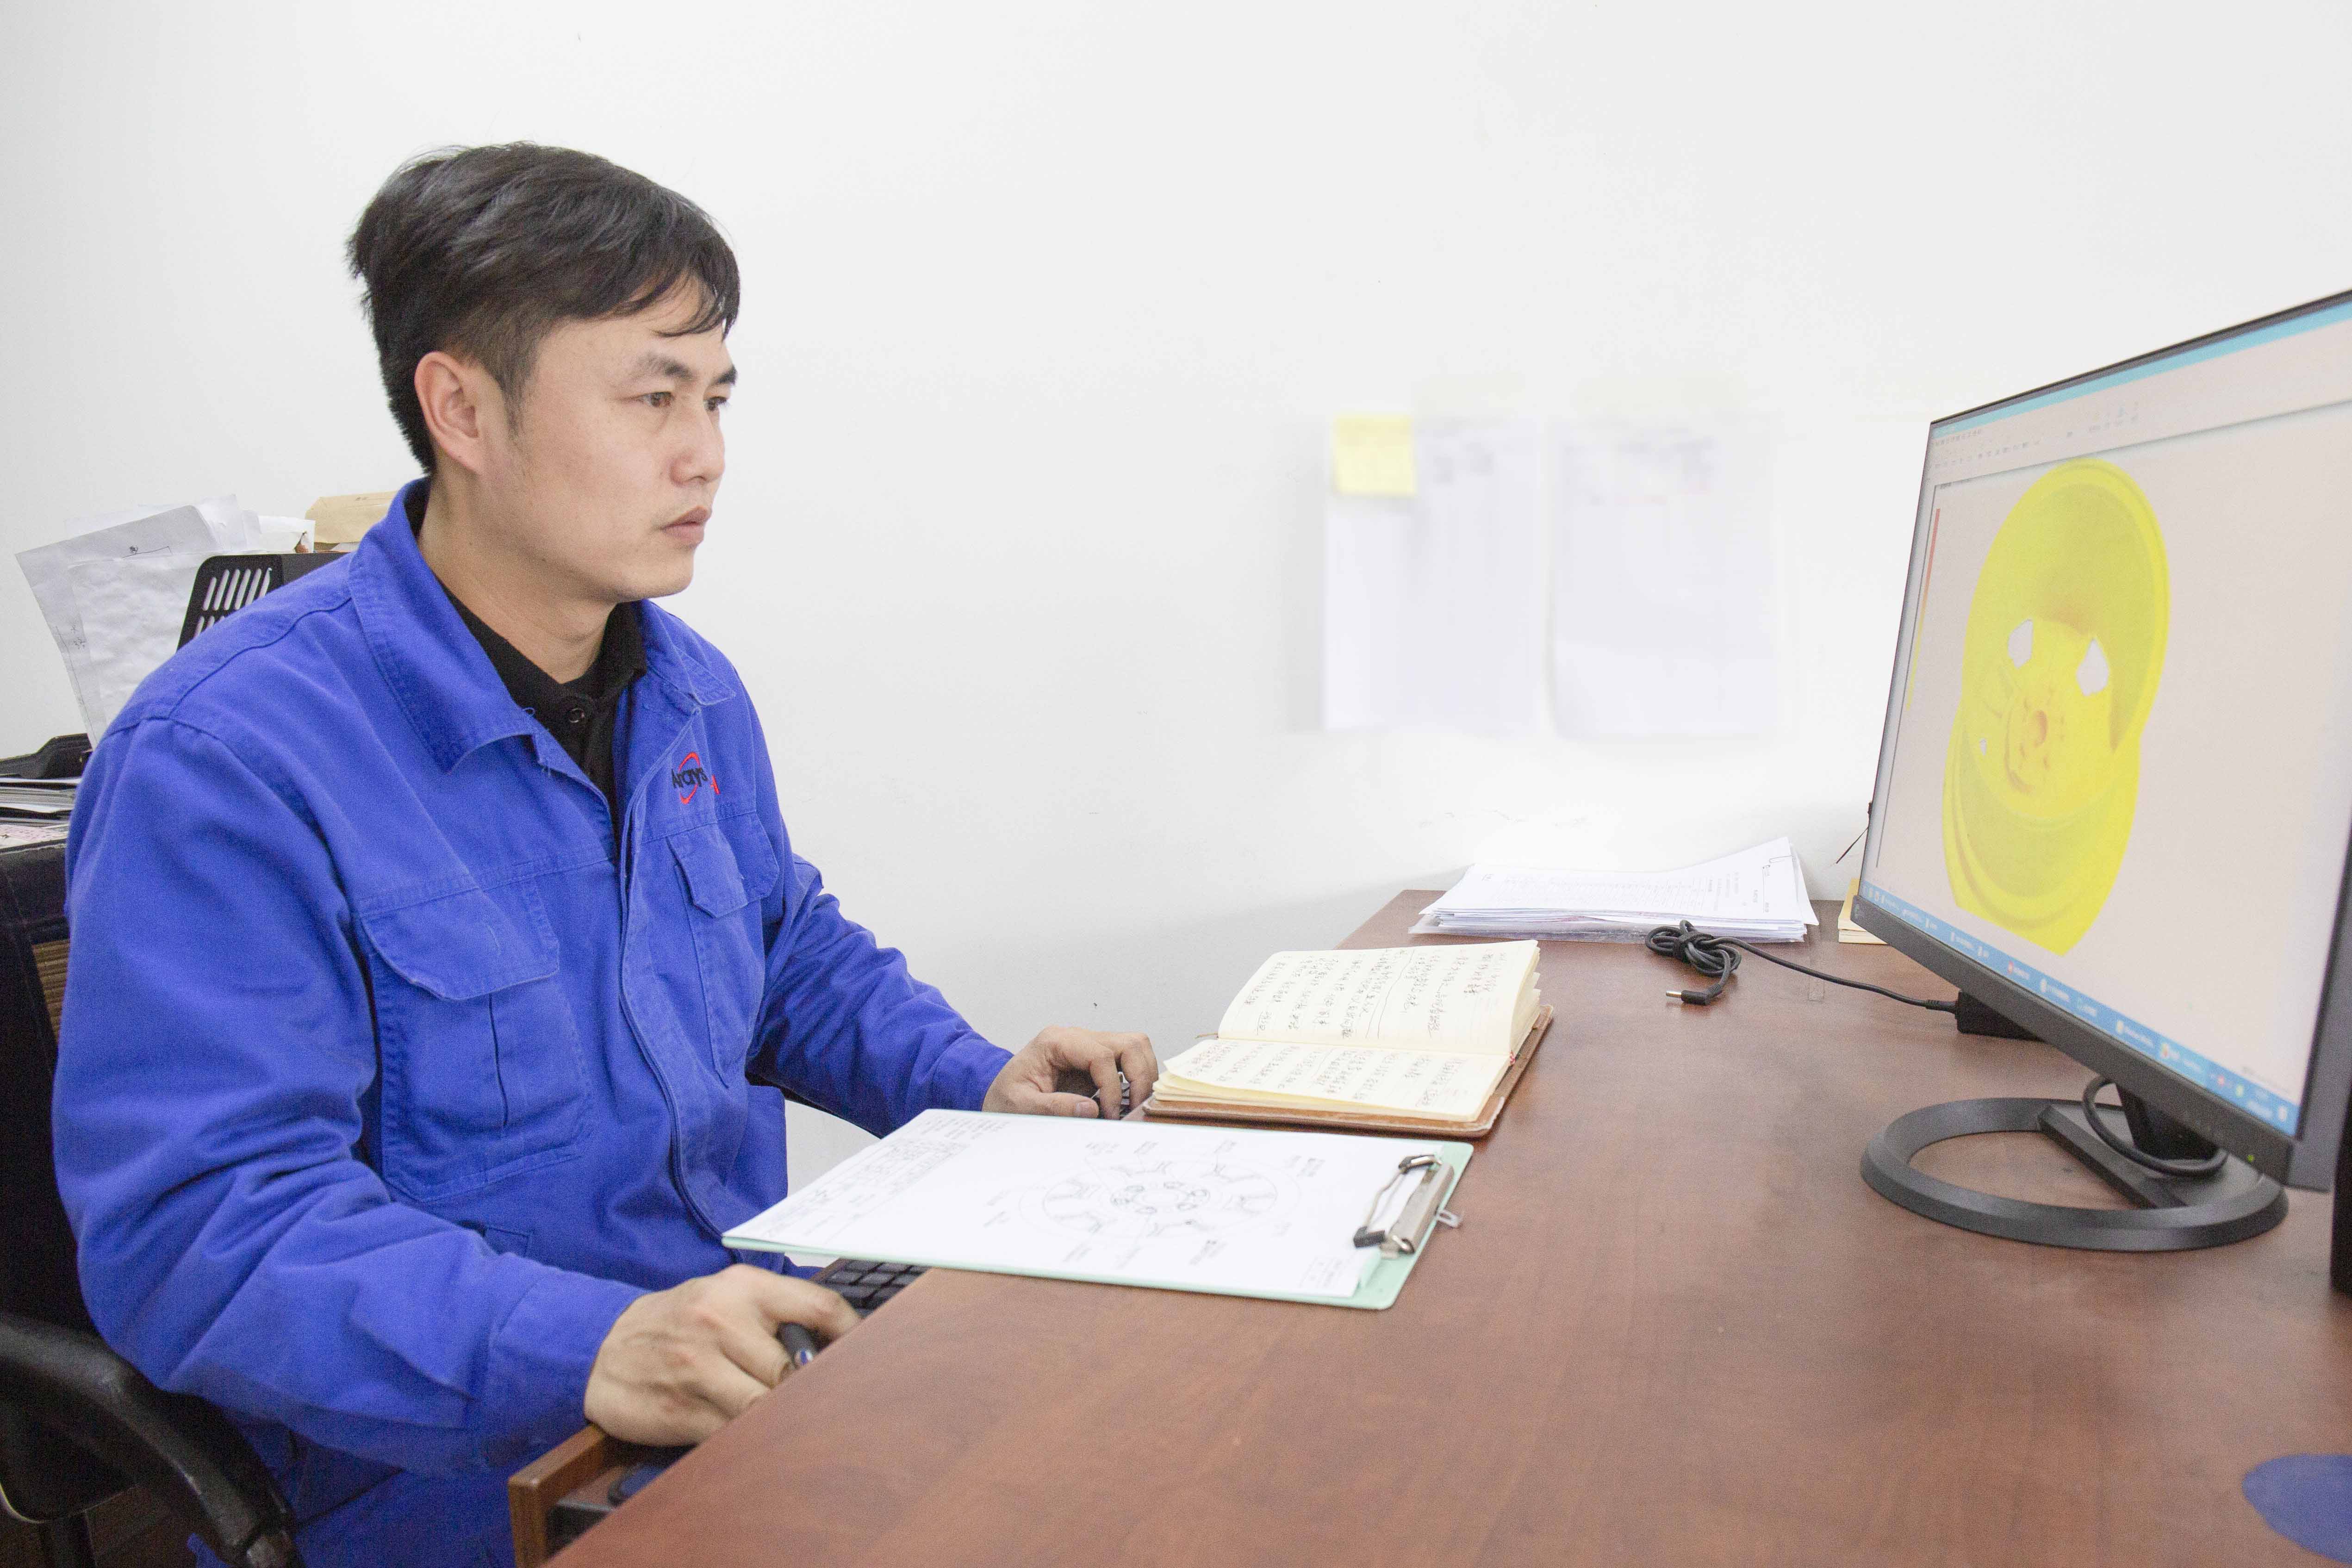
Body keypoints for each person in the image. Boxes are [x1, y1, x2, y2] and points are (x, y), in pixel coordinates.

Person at [51, 143, 1157, 1568]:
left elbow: (782, 957)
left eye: (715, 398)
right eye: (652, 396)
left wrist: (974, 1078)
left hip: (734, 1398)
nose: (704, 453)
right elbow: (202, 1232)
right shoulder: (227, 757)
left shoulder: (685, 690)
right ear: (461, 407)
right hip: (455, 1483)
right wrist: (591, 1343)